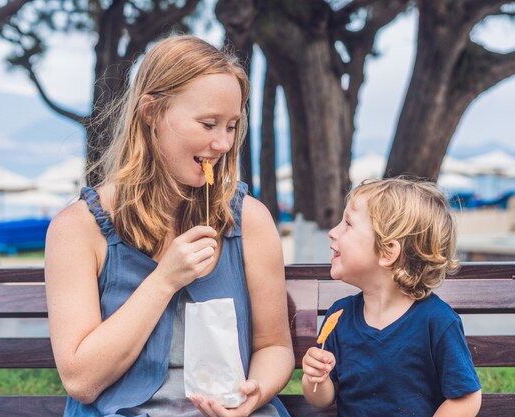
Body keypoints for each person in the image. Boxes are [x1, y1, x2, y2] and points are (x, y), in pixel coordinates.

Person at [45, 35, 294, 417]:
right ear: (151, 113)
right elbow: (81, 380)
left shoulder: (250, 220)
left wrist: (252, 396)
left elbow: (274, 347)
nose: (224, 143)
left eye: (231, 126)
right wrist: (165, 280)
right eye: (208, 123)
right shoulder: (79, 230)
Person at [301, 177, 482, 417]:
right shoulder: (339, 316)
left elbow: (467, 398)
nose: (333, 232)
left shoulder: (437, 321)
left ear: (387, 251)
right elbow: (322, 400)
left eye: (348, 224)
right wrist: (316, 378)